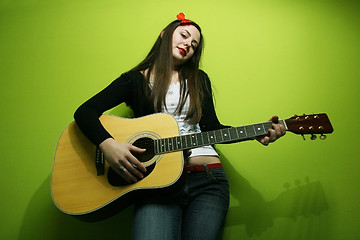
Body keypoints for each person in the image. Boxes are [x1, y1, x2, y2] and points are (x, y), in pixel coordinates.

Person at [74, 13, 285, 240]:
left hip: (208, 181)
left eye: (193, 45)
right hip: (156, 185)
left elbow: (212, 128)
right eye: (184, 35)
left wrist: (256, 133)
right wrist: (108, 146)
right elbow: (85, 112)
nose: (188, 44)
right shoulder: (134, 80)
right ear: (165, 34)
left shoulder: (198, 79)